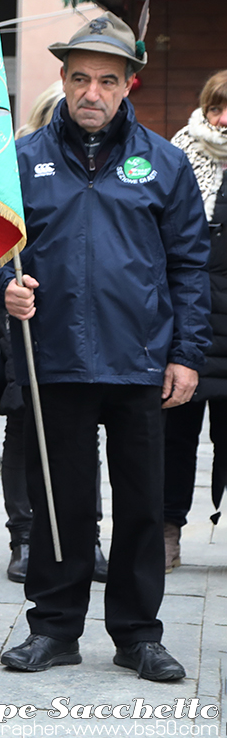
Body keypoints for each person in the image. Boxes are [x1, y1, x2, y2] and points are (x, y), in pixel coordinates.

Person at [0, 12, 210, 682]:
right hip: (53, 355)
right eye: (80, 77)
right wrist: (8, 287)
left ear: (128, 85)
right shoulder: (22, 160)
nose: (92, 91)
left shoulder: (166, 163)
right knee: (61, 500)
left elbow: (190, 264)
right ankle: (54, 627)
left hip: (141, 358)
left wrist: (188, 353)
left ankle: (138, 634)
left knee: (143, 500)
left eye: (107, 80)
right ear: (62, 80)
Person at [0, 81, 108, 587]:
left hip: (85, 328)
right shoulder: (21, 167)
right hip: (25, 323)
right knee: (25, 427)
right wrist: (5, 288)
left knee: (84, 436)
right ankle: (25, 535)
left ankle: (87, 535)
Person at [162, 69, 227, 572]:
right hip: (189, 322)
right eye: (215, 108)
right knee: (174, 438)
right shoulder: (176, 156)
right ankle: (167, 531)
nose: (222, 119)